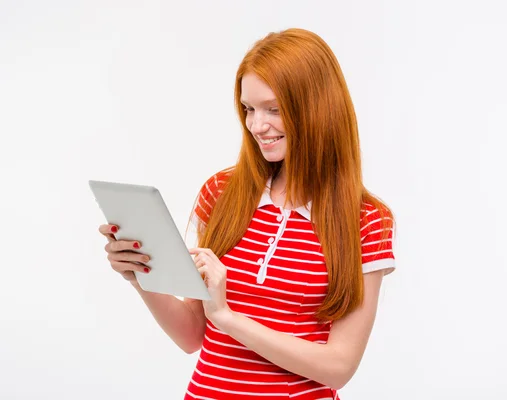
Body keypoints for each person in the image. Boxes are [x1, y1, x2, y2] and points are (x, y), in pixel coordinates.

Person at [99, 27, 396, 400]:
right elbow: (192, 336)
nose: (257, 125)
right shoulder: (222, 193)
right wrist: (139, 273)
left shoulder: (367, 220)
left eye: (273, 109)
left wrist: (229, 319)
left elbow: (339, 367)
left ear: (318, 107)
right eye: (249, 109)